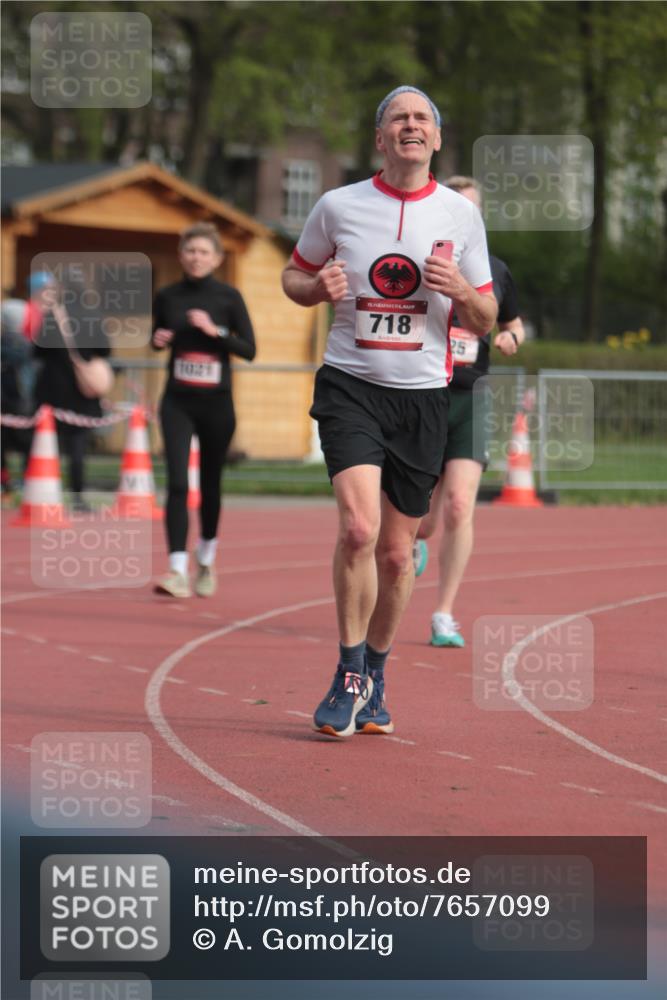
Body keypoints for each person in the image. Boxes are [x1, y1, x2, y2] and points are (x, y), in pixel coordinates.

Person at [282, 86, 498, 738]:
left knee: (398, 556)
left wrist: (459, 289)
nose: (410, 126)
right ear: (380, 139)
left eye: (421, 119)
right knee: (357, 529)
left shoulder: (460, 218)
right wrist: (314, 288)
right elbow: (292, 277)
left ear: (435, 139)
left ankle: (375, 671)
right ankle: (348, 671)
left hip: (424, 400)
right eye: (397, 118)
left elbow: (486, 317)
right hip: (351, 384)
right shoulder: (337, 204)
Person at [414, 176, 526, 647]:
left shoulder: (495, 270)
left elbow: (514, 323)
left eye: (473, 209)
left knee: (460, 503)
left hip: (471, 398)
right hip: (422, 395)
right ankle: (418, 537)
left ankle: (444, 614)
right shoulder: (415, 263)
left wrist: (510, 338)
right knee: (423, 517)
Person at [152, 222, 256, 598]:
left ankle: (207, 557)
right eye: (190, 251)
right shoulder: (167, 295)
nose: (196, 258)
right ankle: (176, 569)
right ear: (181, 255)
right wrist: (158, 339)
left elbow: (249, 349)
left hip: (216, 403)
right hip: (177, 401)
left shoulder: (229, 297)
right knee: (178, 483)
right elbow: (157, 336)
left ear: (217, 258)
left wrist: (217, 332)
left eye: (204, 252)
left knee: (210, 485)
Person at [31, 270, 112, 512]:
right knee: (77, 446)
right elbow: (105, 351)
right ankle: (77, 498)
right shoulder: (93, 316)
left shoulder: (52, 317)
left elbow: (37, 351)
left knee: (46, 444)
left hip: (51, 390)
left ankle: (43, 495)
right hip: (81, 392)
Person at [1, 299, 33, 504]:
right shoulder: (28, 345)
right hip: (21, 402)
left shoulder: (20, 345)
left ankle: (9, 483)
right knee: (25, 443)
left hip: (14, 401)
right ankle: (20, 481)